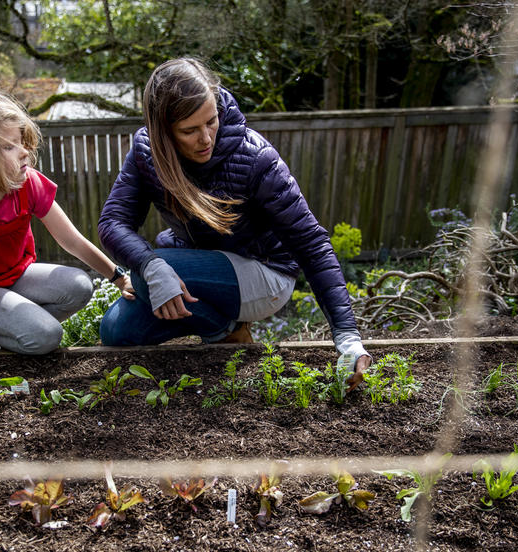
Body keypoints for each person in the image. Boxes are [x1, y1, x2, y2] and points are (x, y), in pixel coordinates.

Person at [97, 57, 371, 383]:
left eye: (211, 121)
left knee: (144, 276)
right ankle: (225, 329)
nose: (206, 138)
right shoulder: (146, 151)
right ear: (163, 131)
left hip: (265, 273)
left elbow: (311, 242)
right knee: (116, 331)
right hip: (204, 269)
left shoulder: (254, 156)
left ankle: (214, 321)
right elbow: (113, 221)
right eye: (189, 130)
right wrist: (154, 268)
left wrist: (347, 336)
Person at [0, 86, 133, 356]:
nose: (24, 153)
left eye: (21, 142)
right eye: (9, 146)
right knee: (47, 336)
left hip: (15, 278)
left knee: (80, 286)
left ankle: (9, 323)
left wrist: (118, 278)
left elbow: (71, 240)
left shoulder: (28, 183)